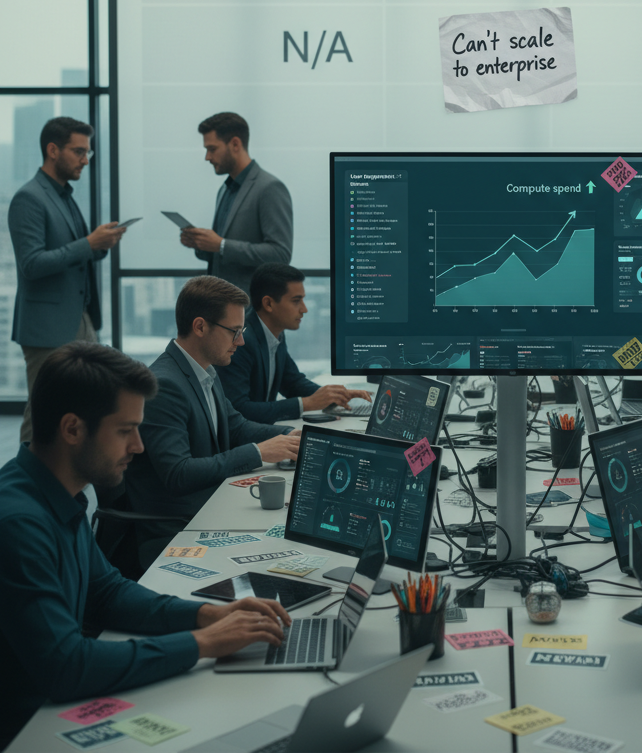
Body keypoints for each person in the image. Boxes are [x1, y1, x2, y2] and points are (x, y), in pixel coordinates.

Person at [0, 342, 292, 750]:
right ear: (72, 429)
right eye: (125, 431)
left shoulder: (56, 494)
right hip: (31, 731)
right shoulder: (19, 523)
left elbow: (106, 593)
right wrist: (202, 643)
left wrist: (208, 615)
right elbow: (66, 667)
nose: (138, 447)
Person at [124, 276, 301, 566]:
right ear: (200, 326)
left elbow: (236, 426)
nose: (241, 341)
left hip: (209, 506)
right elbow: (179, 473)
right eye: (234, 331)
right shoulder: (165, 385)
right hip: (177, 526)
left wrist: (291, 436)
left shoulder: (204, 370)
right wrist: (259, 453)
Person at [8, 117, 126, 443]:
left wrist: (100, 246)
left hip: (80, 320)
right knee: (44, 416)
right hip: (48, 328)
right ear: (52, 150)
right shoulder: (29, 198)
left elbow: (72, 254)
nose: (86, 160)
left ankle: (65, 486)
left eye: (87, 152)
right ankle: (24, 491)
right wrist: (89, 244)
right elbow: (31, 264)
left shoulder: (63, 196)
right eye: (79, 151)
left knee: (78, 410)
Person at [219, 263, 372, 423]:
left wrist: (333, 395)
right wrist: (307, 404)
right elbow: (239, 410)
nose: (304, 309)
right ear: (268, 304)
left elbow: (292, 382)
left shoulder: (274, 331)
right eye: (296, 301)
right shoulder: (241, 342)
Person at [180, 112, 293, 295]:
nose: (207, 157)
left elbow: (280, 255)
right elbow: (222, 252)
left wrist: (221, 245)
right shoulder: (225, 190)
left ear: (235, 144)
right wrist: (200, 244)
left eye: (212, 149)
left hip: (252, 309)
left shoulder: (270, 188)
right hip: (223, 308)